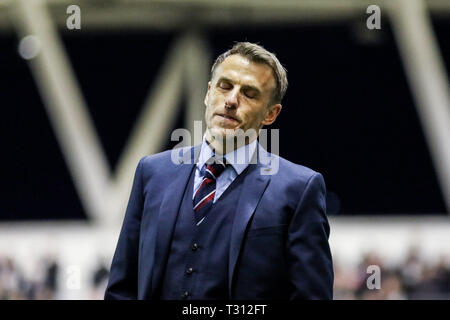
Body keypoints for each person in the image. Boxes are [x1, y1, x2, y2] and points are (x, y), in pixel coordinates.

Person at [105, 42, 333, 300]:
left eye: (249, 93)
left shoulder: (299, 189)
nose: (232, 100)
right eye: (225, 86)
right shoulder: (152, 173)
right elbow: (122, 287)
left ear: (271, 114)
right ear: (208, 93)